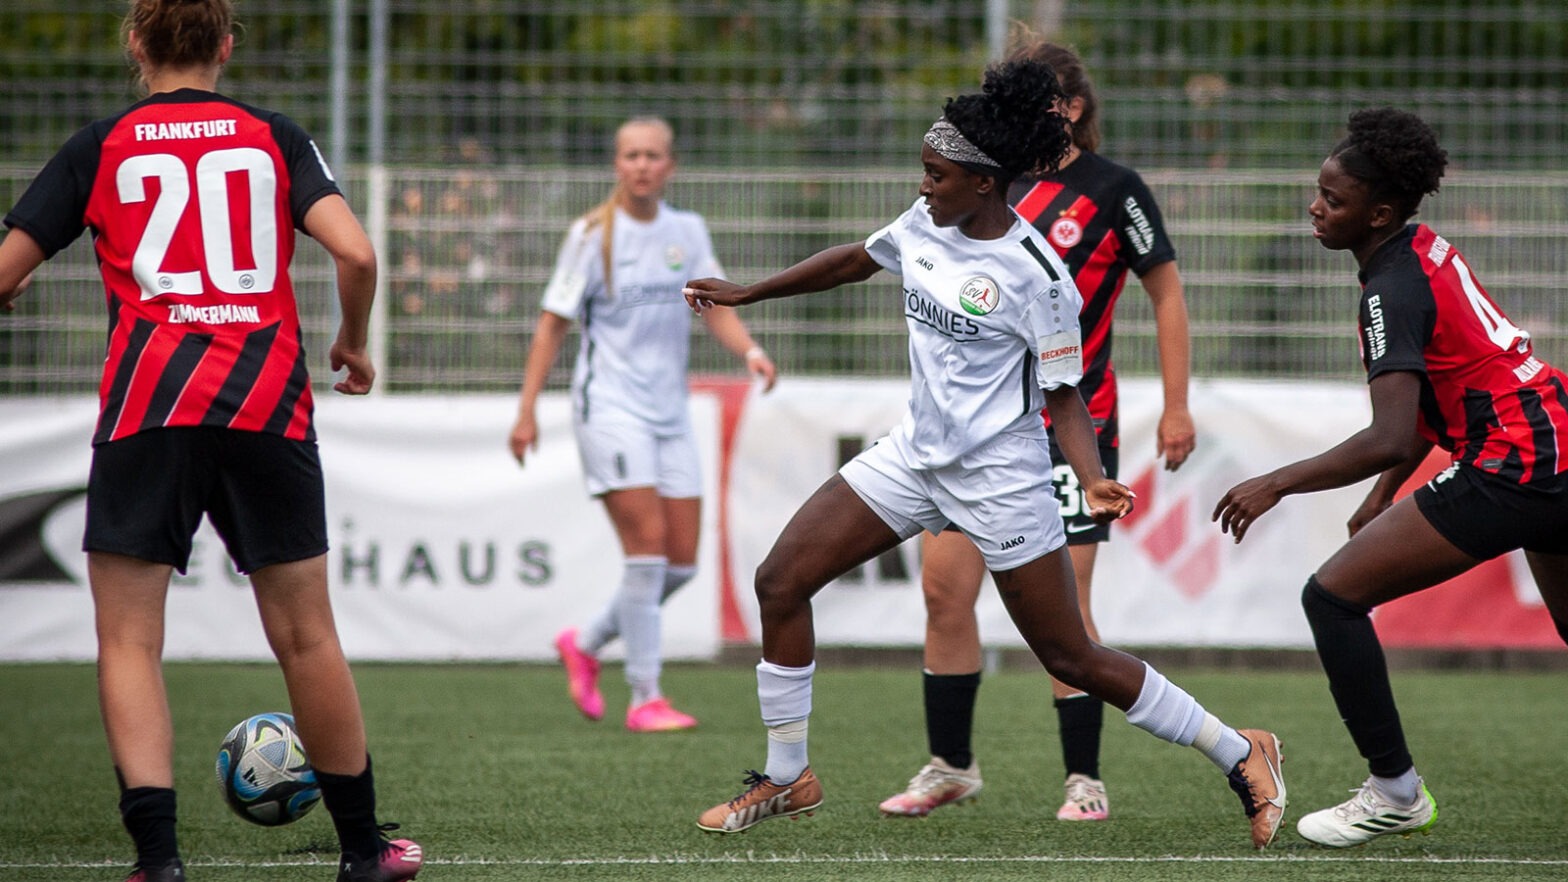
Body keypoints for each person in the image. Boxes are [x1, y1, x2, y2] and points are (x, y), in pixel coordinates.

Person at [686, 58, 1285, 850]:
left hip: (1001, 480)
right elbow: (859, 257)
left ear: (984, 183)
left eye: (936, 175)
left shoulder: (1039, 276)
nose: (924, 186)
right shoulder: (926, 221)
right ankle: (787, 774)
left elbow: (1064, 395)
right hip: (914, 458)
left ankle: (1242, 751)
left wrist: (1094, 476)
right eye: (923, 173)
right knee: (780, 580)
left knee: (1070, 653)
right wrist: (750, 292)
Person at [0, 2, 421, 880]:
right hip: (265, 403)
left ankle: (159, 863)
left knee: (127, 640)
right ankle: (365, 850)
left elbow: (7, 270)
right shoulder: (275, 135)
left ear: (135, 45)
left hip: (149, 408)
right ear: (226, 46)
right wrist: (351, 340)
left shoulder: (100, 144)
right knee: (307, 637)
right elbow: (358, 254)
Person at [1213, 107, 1568, 847]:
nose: (1316, 206)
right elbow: (1435, 402)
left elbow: (1390, 432)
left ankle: (1395, 792)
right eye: (1318, 191)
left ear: (1378, 212)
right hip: (1554, 440)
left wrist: (1274, 483)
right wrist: (1381, 498)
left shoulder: (1391, 287)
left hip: (1518, 459)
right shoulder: (1420, 249)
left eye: (1333, 200)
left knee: (1332, 598)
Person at [878, 37, 1196, 823]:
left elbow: (1165, 294)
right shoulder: (979, 186)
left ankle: (1083, 778)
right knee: (943, 592)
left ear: (1072, 110)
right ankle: (950, 766)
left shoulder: (1114, 189)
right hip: (969, 434)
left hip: (1069, 423)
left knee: (1069, 615)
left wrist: (1177, 405)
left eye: (1031, 102)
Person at [509, 116, 777, 734]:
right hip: (610, 409)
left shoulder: (687, 231)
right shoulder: (592, 235)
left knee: (681, 562)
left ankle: (587, 640)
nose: (642, 165)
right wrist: (525, 411)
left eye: (653, 155)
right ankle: (645, 696)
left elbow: (713, 305)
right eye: (631, 155)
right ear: (616, 164)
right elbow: (553, 323)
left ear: (670, 166)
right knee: (648, 554)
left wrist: (750, 351)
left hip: (669, 412)